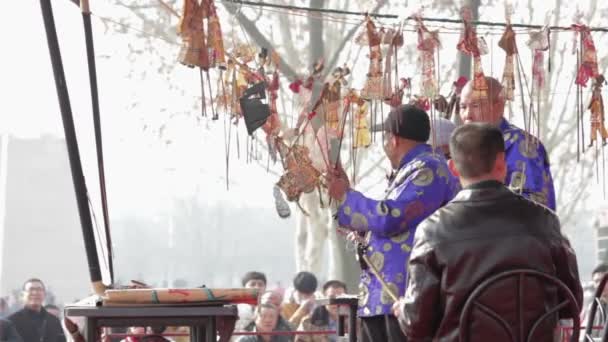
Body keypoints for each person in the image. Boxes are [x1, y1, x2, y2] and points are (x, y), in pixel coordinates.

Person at [394, 123, 583, 341]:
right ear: (502, 163)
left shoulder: (433, 230)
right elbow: (572, 304)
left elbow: (417, 324)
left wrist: (402, 310)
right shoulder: (545, 221)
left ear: (453, 168)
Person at [326, 104, 460, 342]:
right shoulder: (410, 169)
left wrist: (347, 197)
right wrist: (348, 195)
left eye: (385, 137)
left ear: (394, 139)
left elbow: (391, 218)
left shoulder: (429, 168)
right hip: (385, 292)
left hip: (405, 295)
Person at [460, 76, 556, 210]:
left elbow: (531, 206)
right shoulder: (469, 147)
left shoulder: (520, 144)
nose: (467, 115)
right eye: (463, 107)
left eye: (476, 105)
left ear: (499, 105)